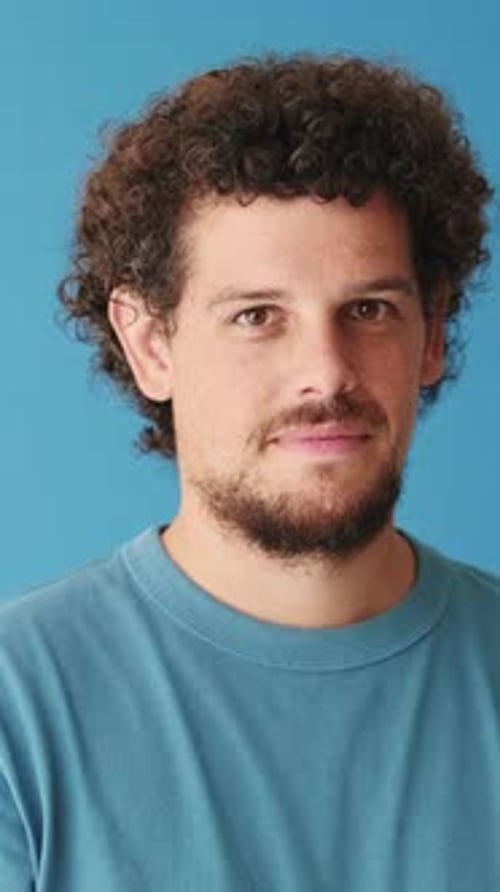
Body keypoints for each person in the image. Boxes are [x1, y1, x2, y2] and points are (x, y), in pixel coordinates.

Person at [1, 53, 498, 891]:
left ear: (434, 334)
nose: (325, 373)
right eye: (257, 316)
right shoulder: (18, 714)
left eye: (369, 310)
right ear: (151, 344)